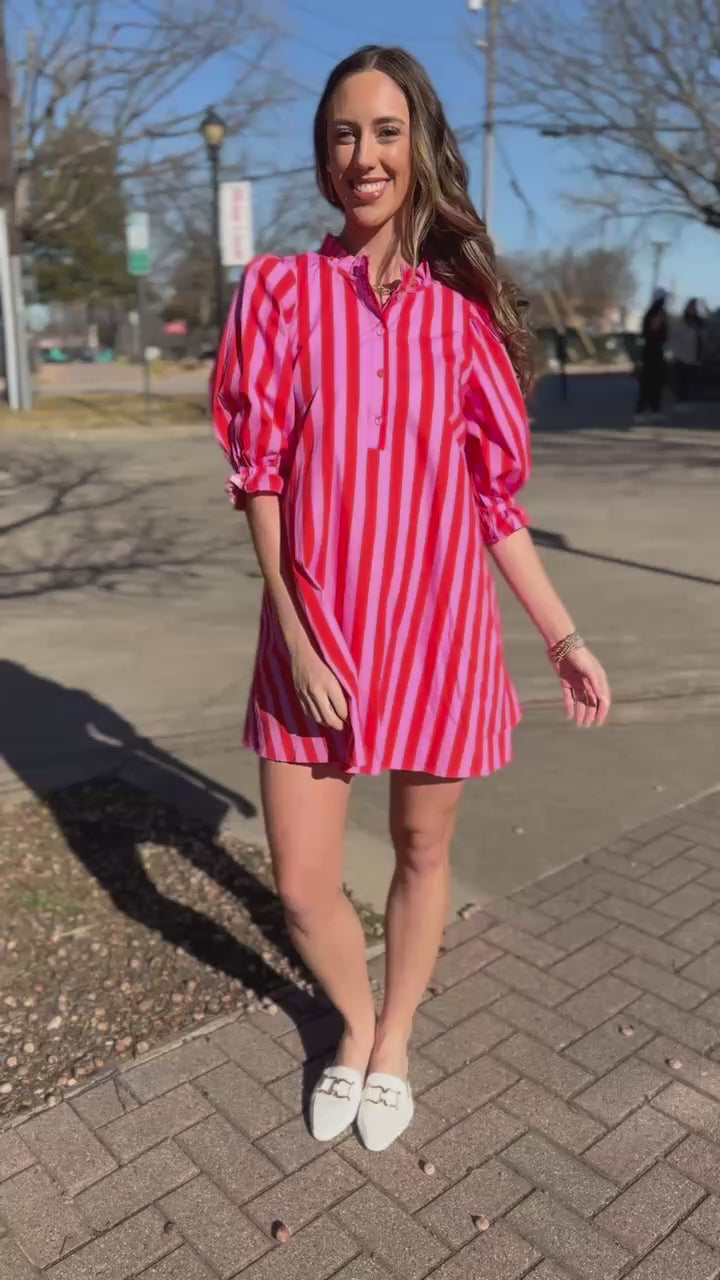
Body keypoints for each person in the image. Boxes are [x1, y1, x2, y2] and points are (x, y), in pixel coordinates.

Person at [212, 45, 611, 1153]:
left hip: (438, 635)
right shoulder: (280, 292)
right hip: (314, 638)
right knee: (303, 887)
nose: (365, 155)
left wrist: (563, 636)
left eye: (386, 131)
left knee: (422, 851)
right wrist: (296, 633)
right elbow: (259, 476)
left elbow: (494, 506)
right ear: (323, 157)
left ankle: (392, 1043)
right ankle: (351, 1019)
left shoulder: (464, 320)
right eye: (344, 134)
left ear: (420, 146)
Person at [635, 287, 668, 422]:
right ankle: (641, 410)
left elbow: (664, 334)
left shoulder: (661, 313)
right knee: (647, 382)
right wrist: (656, 325)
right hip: (650, 351)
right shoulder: (653, 313)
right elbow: (647, 333)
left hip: (657, 351)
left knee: (656, 382)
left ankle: (654, 409)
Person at [671, 298, 704, 409]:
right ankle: (680, 401)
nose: (693, 310)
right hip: (682, 355)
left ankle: (687, 400)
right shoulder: (682, 322)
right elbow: (675, 338)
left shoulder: (699, 323)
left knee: (690, 379)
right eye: (692, 307)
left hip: (694, 356)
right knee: (682, 380)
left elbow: (701, 338)